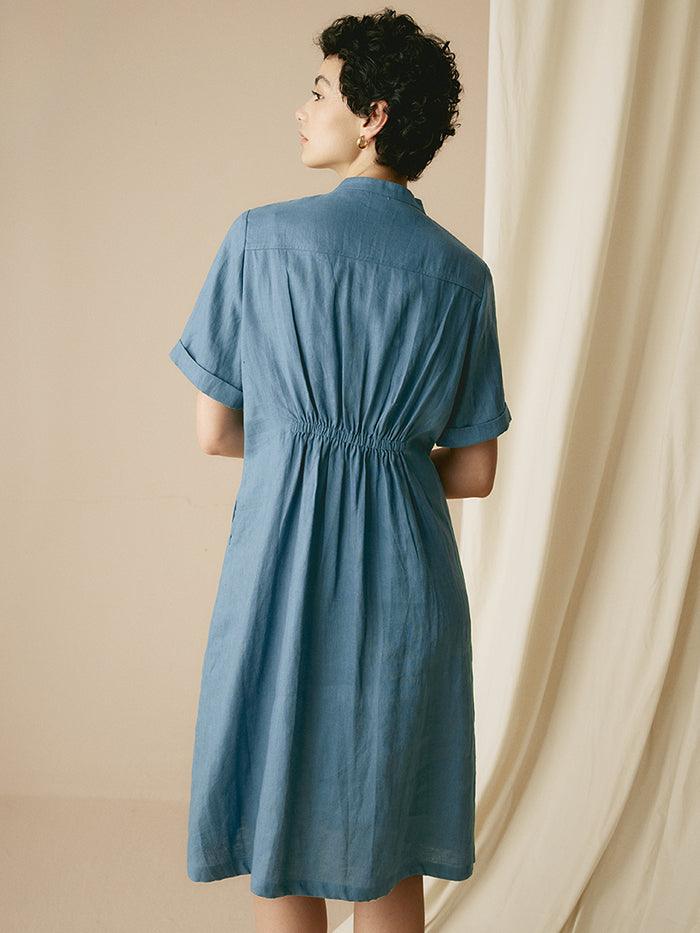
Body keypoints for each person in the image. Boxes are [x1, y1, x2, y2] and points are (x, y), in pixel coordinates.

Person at [169, 10, 512, 933]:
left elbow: (216, 432)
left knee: (282, 823)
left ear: (373, 115)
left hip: (279, 566)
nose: (302, 108)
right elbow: (475, 471)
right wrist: (385, 461)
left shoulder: (259, 238)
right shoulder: (462, 276)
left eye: (320, 90)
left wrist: (300, 445)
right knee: (388, 835)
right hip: (409, 580)